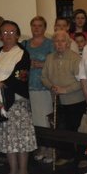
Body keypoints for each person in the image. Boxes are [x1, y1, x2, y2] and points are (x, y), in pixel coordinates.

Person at [0, 21, 36, 174]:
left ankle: (23, 171)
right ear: (0, 35)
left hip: (16, 102)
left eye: (12, 32)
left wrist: (0, 84)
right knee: (7, 137)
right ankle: (13, 170)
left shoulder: (22, 53)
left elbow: (20, 75)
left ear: (18, 35)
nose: (8, 36)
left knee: (19, 137)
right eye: (5, 33)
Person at [41, 30, 84, 167]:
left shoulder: (75, 58)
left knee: (77, 129)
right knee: (62, 129)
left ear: (68, 43)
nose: (59, 44)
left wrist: (65, 90)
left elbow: (81, 81)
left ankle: (81, 157)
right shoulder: (50, 58)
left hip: (75, 100)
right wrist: (51, 86)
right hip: (57, 101)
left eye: (62, 41)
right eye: (57, 41)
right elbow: (43, 77)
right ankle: (67, 155)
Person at [22, 16, 54, 163]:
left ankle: (50, 149)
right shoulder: (25, 43)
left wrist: (41, 65)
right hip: (27, 86)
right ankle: (41, 146)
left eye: (39, 25)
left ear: (44, 28)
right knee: (33, 120)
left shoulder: (50, 44)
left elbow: (55, 63)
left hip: (43, 87)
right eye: (34, 25)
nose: (36, 28)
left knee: (44, 119)